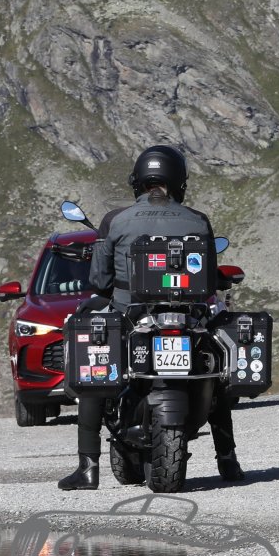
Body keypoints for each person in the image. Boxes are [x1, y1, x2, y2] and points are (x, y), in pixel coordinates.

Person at [59, 144, 243, 490]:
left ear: (138, 180)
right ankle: (228, 460)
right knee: (216, 372)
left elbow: (99, 281)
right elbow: (208, 277)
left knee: (95, 365)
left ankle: (87, 468)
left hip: (131, 317)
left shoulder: (116, 220)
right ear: (179, 180)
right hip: (188, 319)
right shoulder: (198, 220)